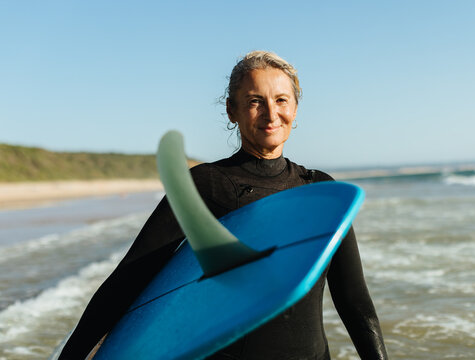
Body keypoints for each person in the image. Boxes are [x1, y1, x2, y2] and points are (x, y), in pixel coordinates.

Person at [59, 51, 388, 359]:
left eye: (281, 100)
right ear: (232, 110)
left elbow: (354, 301)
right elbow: (128, 281)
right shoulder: (204, 184)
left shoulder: (321, 190)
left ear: (296, 108)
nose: (271, 114)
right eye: (255, 102)